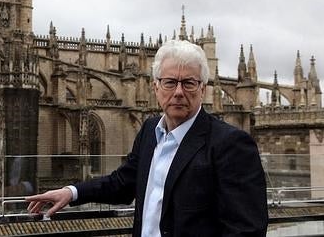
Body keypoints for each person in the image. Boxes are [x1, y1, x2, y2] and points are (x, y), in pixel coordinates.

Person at [26, 40, 268, 236]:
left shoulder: (232, 144)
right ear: (155, 88)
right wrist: (71, 192)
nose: (179, 92)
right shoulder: (150, 131)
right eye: (170, 82)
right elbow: (122, 183)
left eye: (189, 83)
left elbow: (247, 231)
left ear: (203, 89)